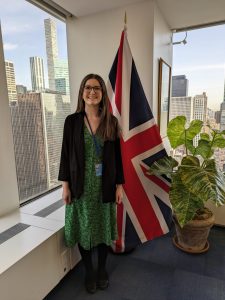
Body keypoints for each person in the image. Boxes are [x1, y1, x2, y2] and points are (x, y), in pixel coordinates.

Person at [58, 73, 125, 294]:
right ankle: (89, 270)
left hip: (104, 185)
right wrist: (65, 185)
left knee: (104, 228)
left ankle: (102, 269)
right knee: (84, 229)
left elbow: (117, 156)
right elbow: (66, 155)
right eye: (88, 87)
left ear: (102, 94)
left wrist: (119, 186)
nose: (92, 92)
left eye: (97, 88)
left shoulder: (111, 122)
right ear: (82, 92)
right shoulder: (72, 122)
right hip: (80, 186)